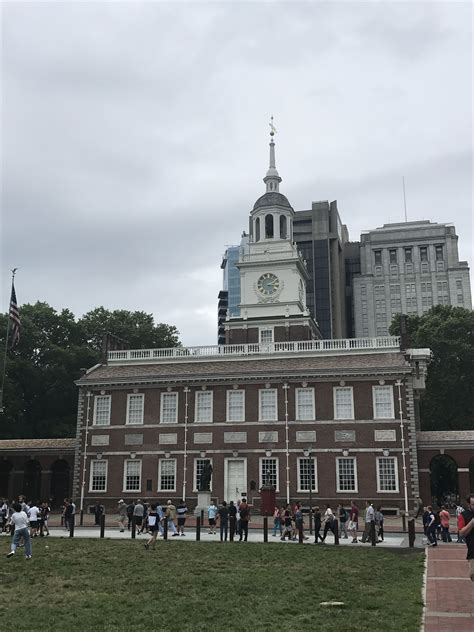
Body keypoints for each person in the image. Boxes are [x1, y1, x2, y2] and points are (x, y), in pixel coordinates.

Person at [458, 494, 474, 581]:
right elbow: (461, 533)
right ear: (469, 505)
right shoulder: (463, 515)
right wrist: (471, 524)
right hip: (473, 551)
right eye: (473, 504)